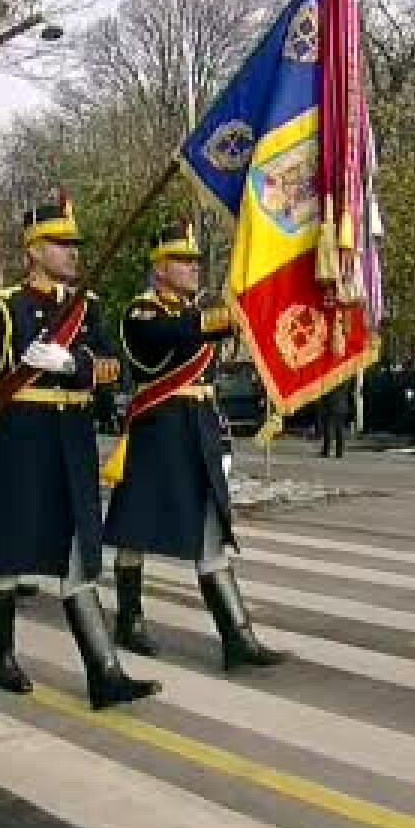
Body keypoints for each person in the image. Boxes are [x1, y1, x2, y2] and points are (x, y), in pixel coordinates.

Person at [0, 190, 161, 710]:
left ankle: (104, 672)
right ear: (33, 250)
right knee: (8, 551)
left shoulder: (87, 308)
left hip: (72, 441)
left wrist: (73, 364)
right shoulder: (2, 308)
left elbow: (115, 367)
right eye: (60, 243)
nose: (72, 252)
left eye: (74, 244)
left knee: (77, 553)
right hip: (19, 441)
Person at [99, 220, 286, 668]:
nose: (193, 268)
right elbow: (174, 334)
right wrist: (228, 313)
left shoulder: (197, 314)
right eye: (183, 261)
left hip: (198, 428)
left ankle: (237, 635)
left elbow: (206, 339)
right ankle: (129, 620)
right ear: (160, 268)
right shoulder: (142, 313)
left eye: (195, 261)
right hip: (158, 430)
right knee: (136, 527)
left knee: (210, 529)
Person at [318, 381, 352, 458]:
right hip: (342, 408)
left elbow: (325, 397)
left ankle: (326, 451)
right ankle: (339, 452)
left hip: (331, 408)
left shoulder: (329, 383)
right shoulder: (344, 383)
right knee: (340, 430)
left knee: (328, 430)